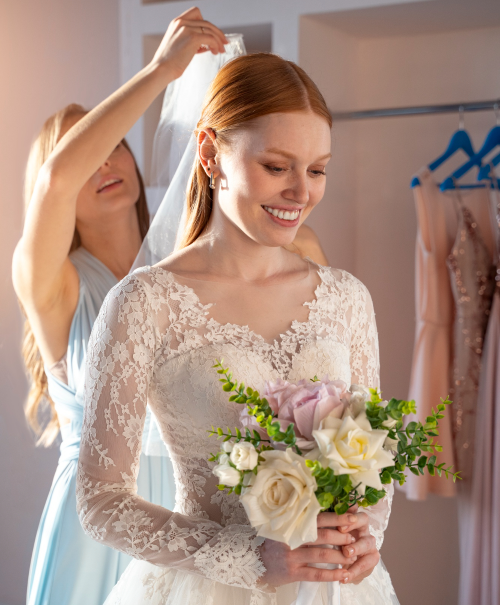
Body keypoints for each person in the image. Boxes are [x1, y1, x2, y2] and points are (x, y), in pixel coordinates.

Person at [74, 8, 398, 604]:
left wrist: (364, 536)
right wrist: (250, 557)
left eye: (318, 170)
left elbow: (372, 465)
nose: (301, 193)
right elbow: (99, 503)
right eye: (276, 167)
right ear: (209, 154)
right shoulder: (146, 303)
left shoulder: (348, 298)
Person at [12, 107, 176, 604]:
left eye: (116, 146)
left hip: (184, 513)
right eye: (87, 158)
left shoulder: (185, 266)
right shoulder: (54, 285)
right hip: (94, 531)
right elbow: (57, 180)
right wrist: (162, 69)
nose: (105, 164)